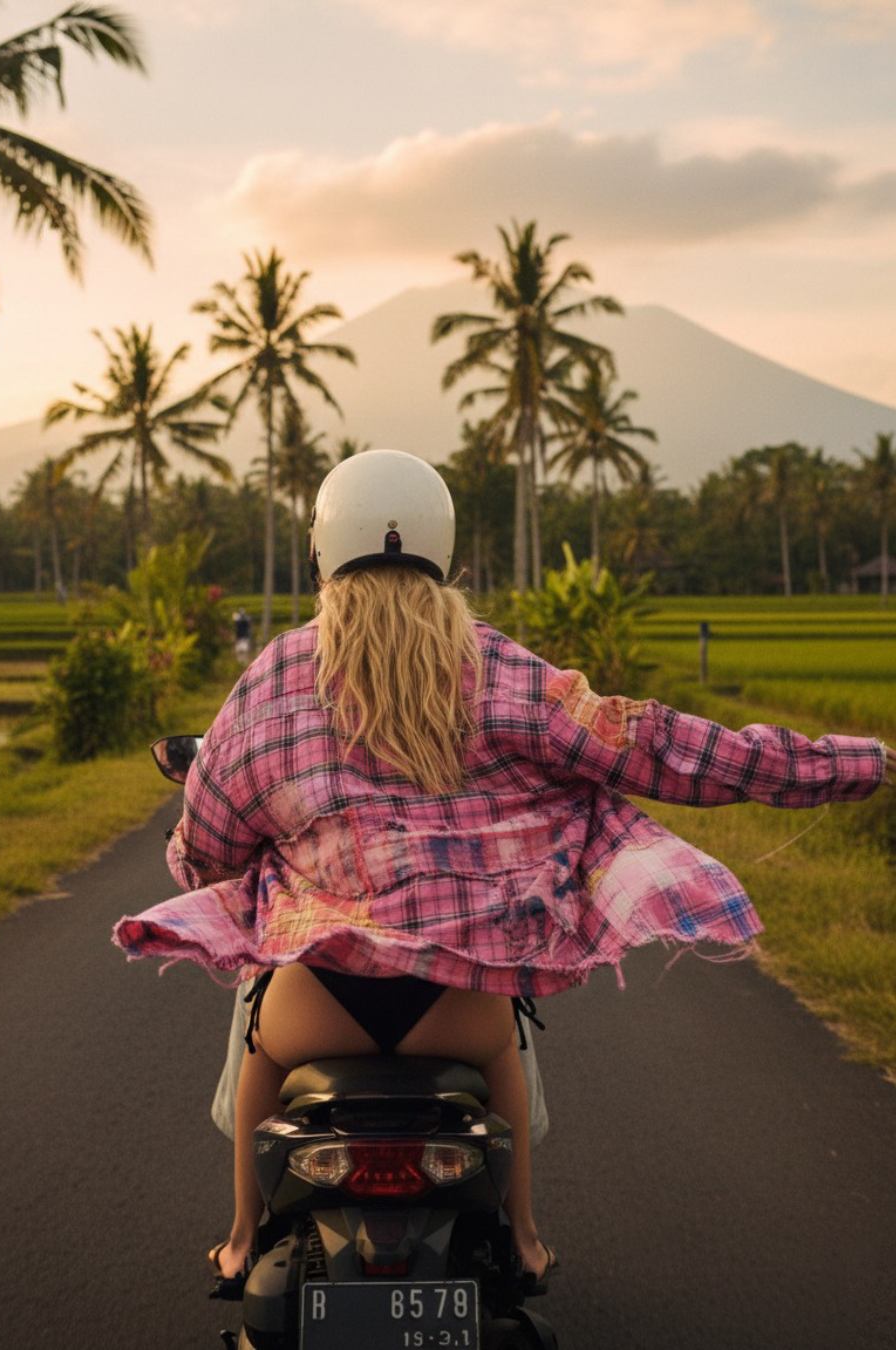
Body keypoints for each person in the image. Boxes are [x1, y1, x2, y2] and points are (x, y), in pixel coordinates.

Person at [115, 448, 894, 1291]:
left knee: (259, 1036)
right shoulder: (497, 665)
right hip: (458, 1012)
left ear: (320, 553)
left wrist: (218, 866)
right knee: (507, 1058)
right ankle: (522, 1237)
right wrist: (857, 763)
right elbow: (660, 746)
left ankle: (238, 1240)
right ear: (445, 550)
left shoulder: (275, 676)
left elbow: (209, 845)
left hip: (322, 1012)